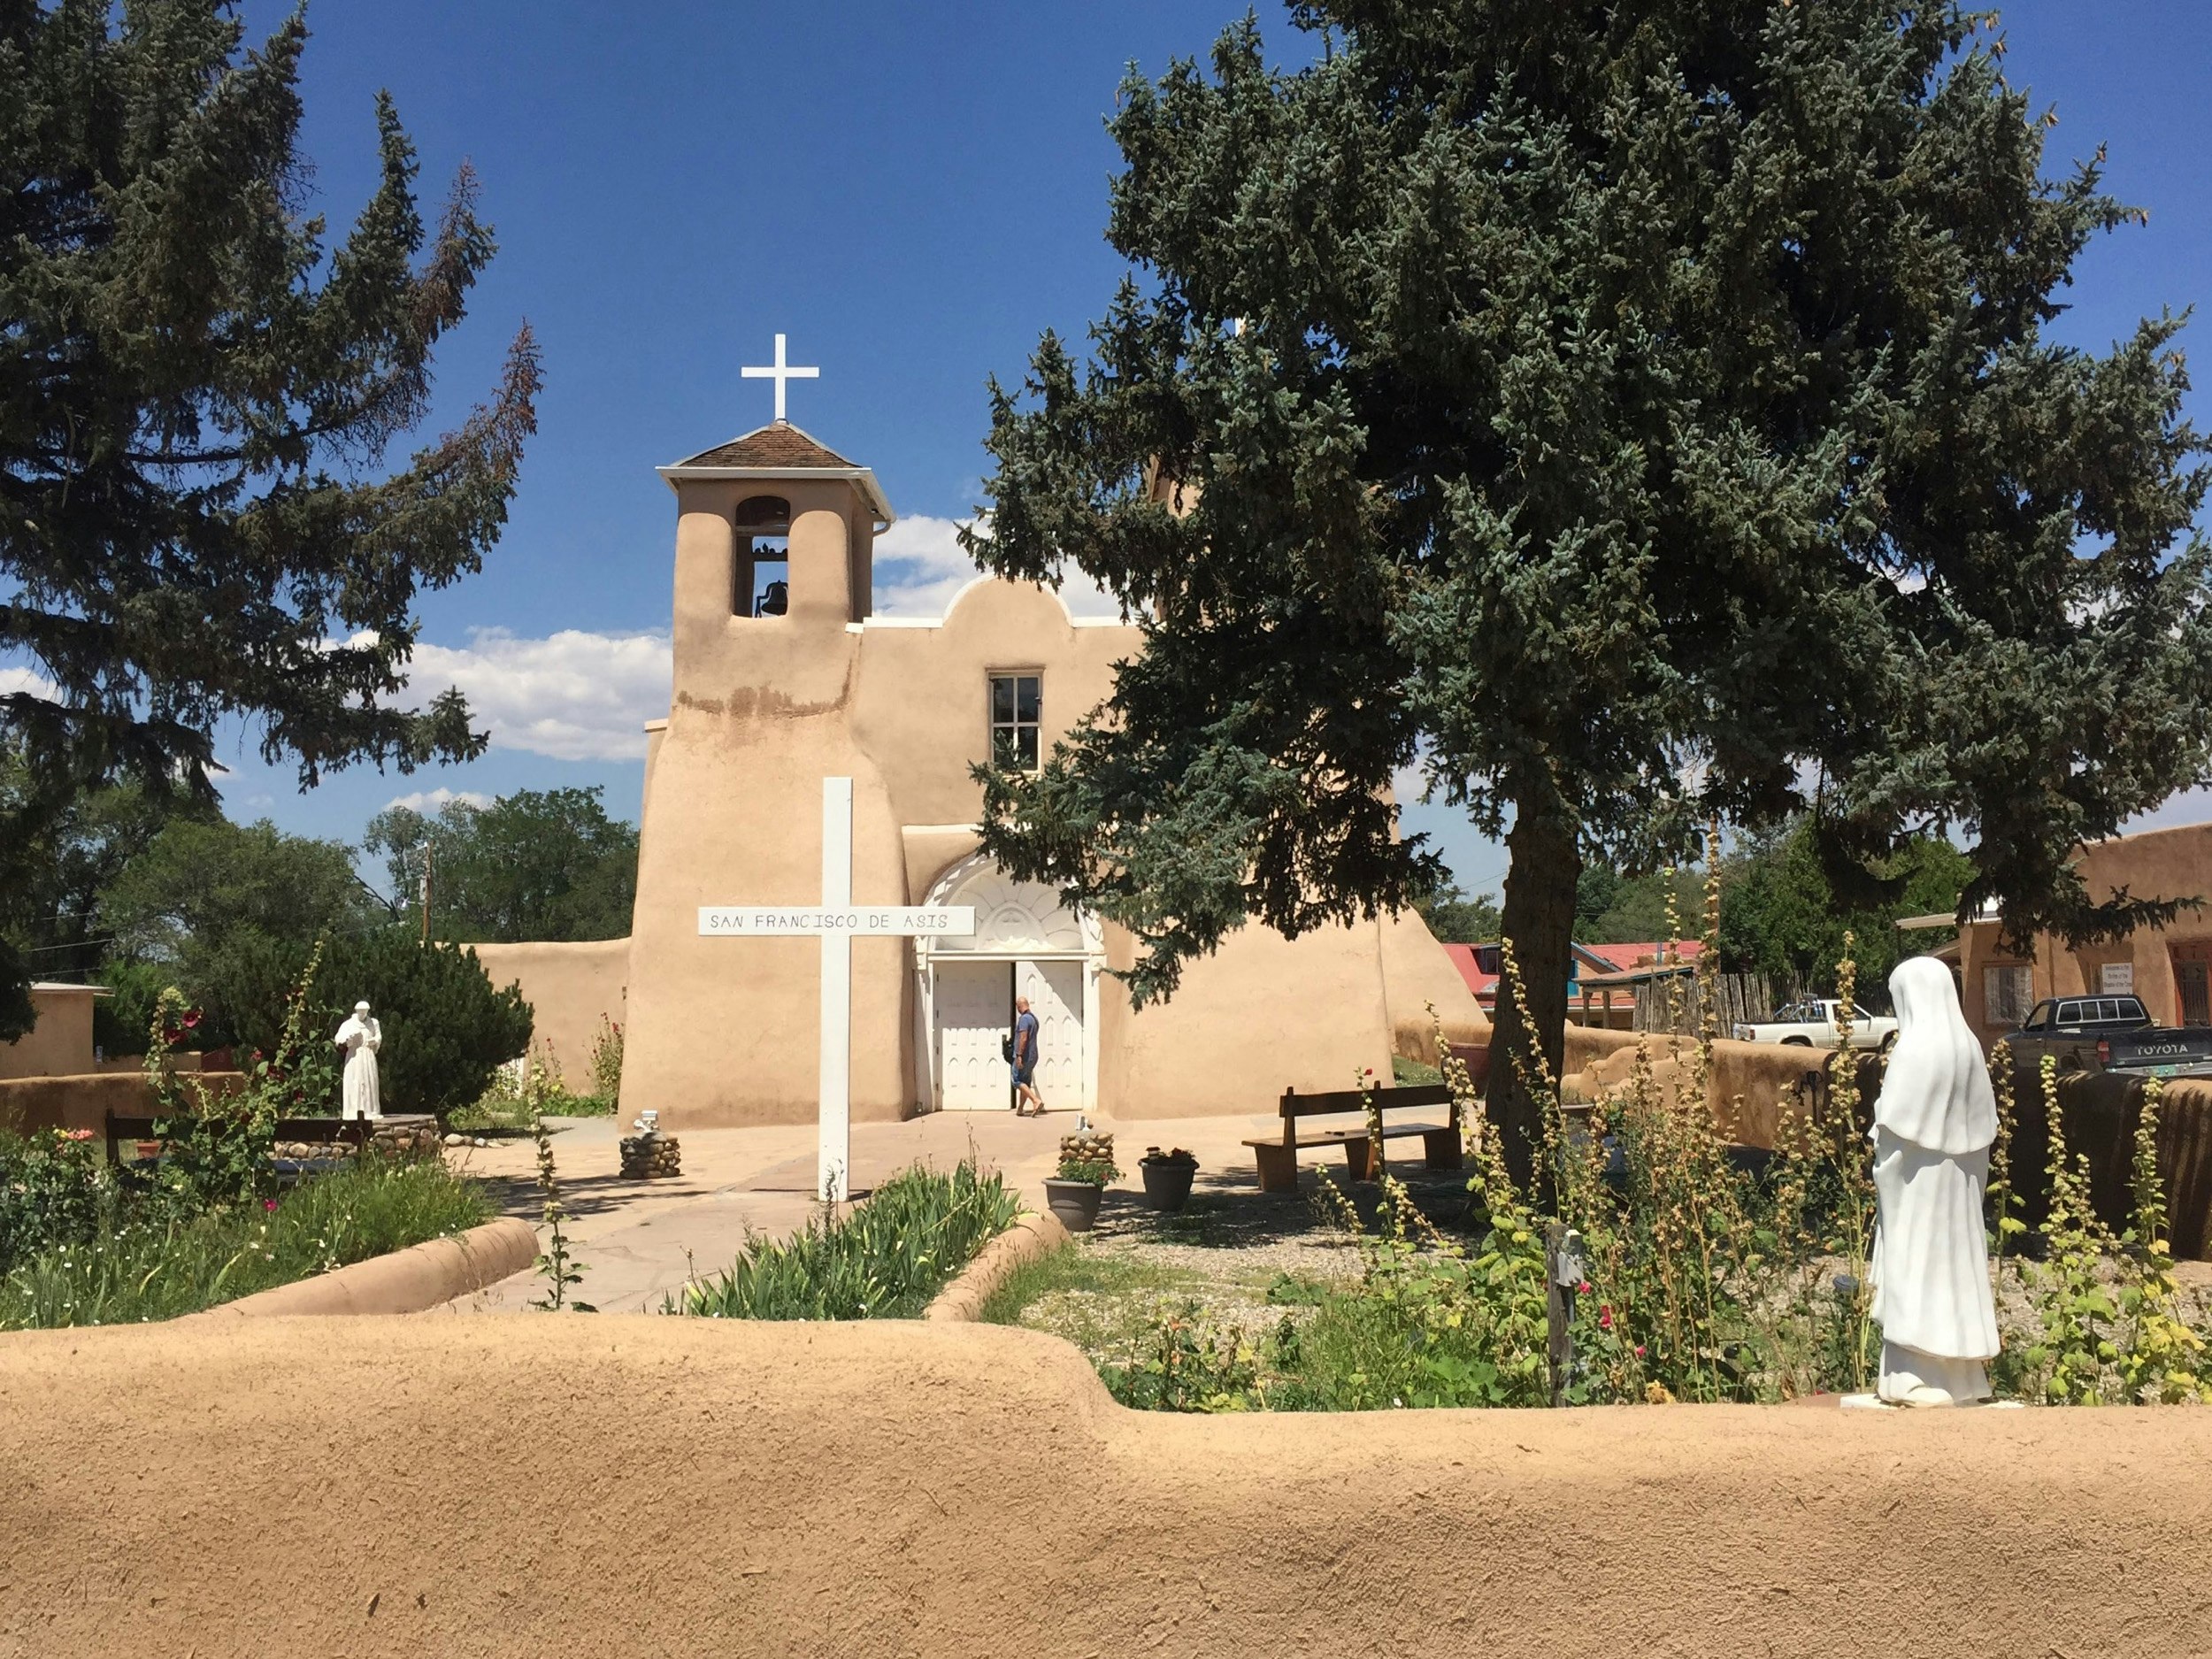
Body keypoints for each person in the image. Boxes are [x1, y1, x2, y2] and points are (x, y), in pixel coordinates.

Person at [1867, 956, 2001, 1406]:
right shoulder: (1969, 1050)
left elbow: (1894, 1135)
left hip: (1917, 1194)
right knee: (1957, 1274)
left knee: (1918, 1269)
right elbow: (1982, 1136)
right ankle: (1964, 1377)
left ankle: (1911, 1376)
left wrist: (1878, 1134)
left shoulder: (1914, 1049)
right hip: (1960, 1195)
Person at [334, 1000, 383, 1121]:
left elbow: (378, 1036)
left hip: (368, 1054)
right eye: (361, 1011)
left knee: (369, 1081)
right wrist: (348, 1040)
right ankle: (353, 1111)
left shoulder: (374, 1023)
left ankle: (370, 1110)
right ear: (356, 1011)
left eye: (365, 1011)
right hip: (354, 1056)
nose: (363, 1014)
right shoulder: (348, 1024)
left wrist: (375, 1041)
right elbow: (338, 1039)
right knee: (354, 1081)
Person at [1010, 995, 1044, 1117]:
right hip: (1033, 1055)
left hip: (1025, 1055)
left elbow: (1023, 1038)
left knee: (1016, 1080)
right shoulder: (1034, 1019)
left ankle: (1035, 1100)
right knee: (1025, 1082)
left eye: (1017, 1007)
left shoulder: (1024, 1019)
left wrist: (1019, 1054)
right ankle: (1020, 1109)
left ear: (1019, 1006)